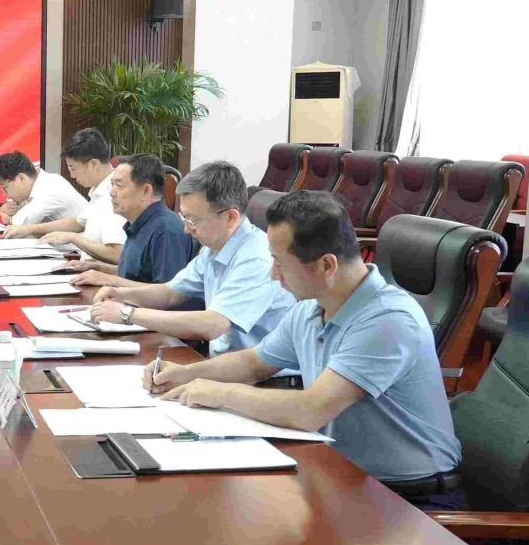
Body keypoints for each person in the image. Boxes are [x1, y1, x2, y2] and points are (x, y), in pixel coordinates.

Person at [146, 190, 461, 493]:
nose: (273, 274)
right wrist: (185, 374)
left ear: (326, 265)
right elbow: (254, 363)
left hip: (406, 496)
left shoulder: (387, 320)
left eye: (280, 263)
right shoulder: (312, 307)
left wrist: (221, 393)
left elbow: (311, 410)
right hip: (336, 473)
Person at [89, 160, 293, 354]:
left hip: (262, 374)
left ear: (230, 217)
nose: (186, 230)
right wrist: (122, 295)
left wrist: (128, 314)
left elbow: (213, 324)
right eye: (184, 218)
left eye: (193, 220)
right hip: (226, 364)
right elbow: (170, 293)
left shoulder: (257, 258)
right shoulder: (213, 247)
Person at [68, 155, 196, 289]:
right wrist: (96, 268)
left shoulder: (165, 230)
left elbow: (167, 292)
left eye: (119, 185)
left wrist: (109, 280)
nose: (111, 193)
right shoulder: (138, 222)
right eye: (112, 184)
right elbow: (133, 274)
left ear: (146, 191)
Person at [14, 128, 126, 260]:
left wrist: (73, 238)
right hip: (86, 266)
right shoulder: (99, 190)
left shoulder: (114, 195)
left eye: (73, 168)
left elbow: (117, 254)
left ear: (93, 164)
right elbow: (78, 222)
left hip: (96, 271)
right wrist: (30, 229)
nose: (72, 175)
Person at [0, 151, 87, 231]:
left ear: (21, 178)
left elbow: (19, 224)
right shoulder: (40, 183)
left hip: (77, 247)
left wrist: (7, 218)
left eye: (5, 188)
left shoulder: (50, 187)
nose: (5, 195)